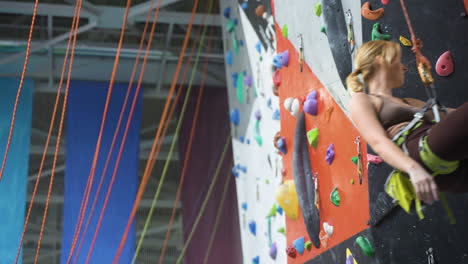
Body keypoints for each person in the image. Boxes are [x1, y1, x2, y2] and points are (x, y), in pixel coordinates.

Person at [346, 40, 468, 207]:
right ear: (381, 60)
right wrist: (412, 168)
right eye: (398, 60)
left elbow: (450, 116)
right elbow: (378, 142)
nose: (404, 67)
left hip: (445, 170)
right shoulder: (362, 100)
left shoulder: (408, 101)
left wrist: (426, 70)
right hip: (419, 152)